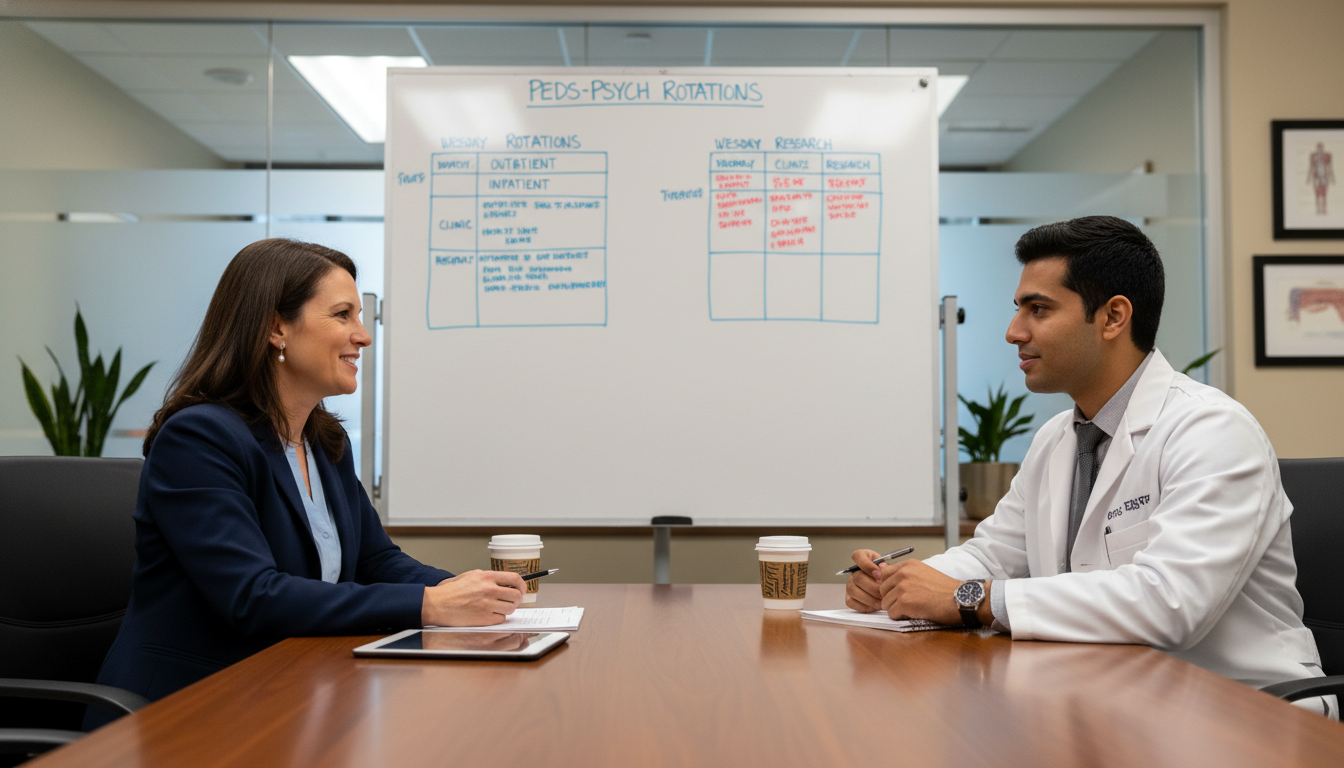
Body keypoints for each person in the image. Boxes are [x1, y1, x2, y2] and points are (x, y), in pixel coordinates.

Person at [845, 216, 1334, 716]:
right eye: (1018, 309)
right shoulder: (1058, 438)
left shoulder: (1212, 431)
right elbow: (995, 555)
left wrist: (970, 598)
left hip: (1245, 711)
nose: (1014, 332)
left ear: (1113, 317)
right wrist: (904, 581)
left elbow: (1169, 602)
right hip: (1117, 699)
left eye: (1039, 309)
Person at [90, 239, 526, 722]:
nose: (363, 336)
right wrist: (430, 604)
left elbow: (374, 559)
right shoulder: (198, 439)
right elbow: (252, 597)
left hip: (284, 693)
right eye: (343, 315)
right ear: (276, 327)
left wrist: (467, 591)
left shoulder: (324, 440)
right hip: (186, 711)